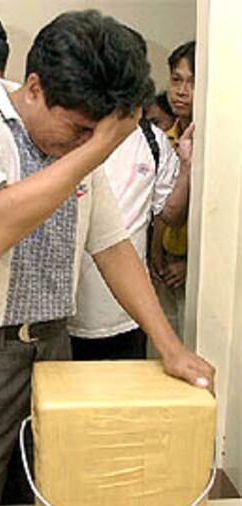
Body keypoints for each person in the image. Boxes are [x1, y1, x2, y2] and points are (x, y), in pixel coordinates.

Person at [0, 11, 214, 506]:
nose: (83, 143)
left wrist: (169, 345)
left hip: (51, 350)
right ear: (34, 88)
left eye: (92, 133)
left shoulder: (77, 149)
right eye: (78, 129)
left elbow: (112, 248)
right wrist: (97, 146)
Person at [69, 34, 190, 361]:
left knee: (122, 410)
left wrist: (189, 165)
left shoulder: (152, 141)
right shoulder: (65, 132)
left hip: (127, 317)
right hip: (63, 318)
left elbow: (170, 214)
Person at [150, 42, 195, 340]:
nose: (182, 90)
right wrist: (155, 253)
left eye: (193, 82)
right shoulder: (163, 138)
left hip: (195, 267)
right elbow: (161, 205)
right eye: (177, 80)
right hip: (164, 260)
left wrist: (191, 264)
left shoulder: (218, 139)